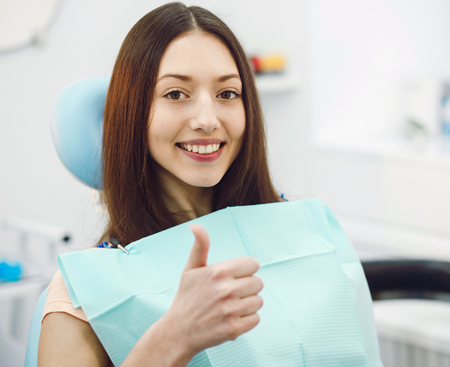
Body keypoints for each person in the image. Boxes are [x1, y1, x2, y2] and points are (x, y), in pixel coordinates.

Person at [38, 2, 282, 366]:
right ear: (133, 113)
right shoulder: (82, 292)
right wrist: (173, 339)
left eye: (227, 93)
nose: (207, 119)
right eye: (175, 94)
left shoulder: (292, 233)